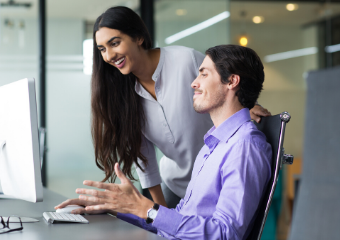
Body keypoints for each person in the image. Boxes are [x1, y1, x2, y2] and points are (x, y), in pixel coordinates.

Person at [60, 6, 271, 209]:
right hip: (175, 184)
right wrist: (158, 210)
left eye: (114, 43)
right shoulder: (124, 94)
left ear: (138, 37)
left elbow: (221, 85)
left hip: (214, 182)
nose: (108, 56)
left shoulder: (185, 60)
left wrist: (245, 107)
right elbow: (143, 157)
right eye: (102, 49)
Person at [57, 45, 272, 240]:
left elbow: (226, 235)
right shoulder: (213, 144)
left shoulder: (245, 147)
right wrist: (116, 206)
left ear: (232, 82)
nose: (194, 83)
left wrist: (148, 210)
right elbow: (178, 220)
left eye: (204, 74)